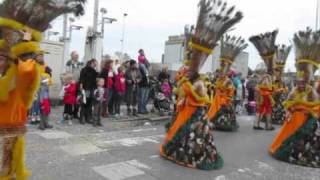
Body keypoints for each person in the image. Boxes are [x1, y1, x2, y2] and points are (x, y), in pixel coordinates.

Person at [36, 51, 53, 130]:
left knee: (47, 106)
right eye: (39, 56)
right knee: (42, 106)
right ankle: (41, 124)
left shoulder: (46, 66)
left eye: (41, 56)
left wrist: (47, 78)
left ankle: (46, 122)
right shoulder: (34, 65)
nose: (41, 58)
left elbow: (49, 77)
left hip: (45, 88)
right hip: (38, 89)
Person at [79, 59, 98, 124]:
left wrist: (96, 89)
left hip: (92, 89)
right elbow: (81, 79)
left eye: (96, 64)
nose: (96, 64)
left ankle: (88, 117)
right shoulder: (84, 69)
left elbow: (95, 80)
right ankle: (82, 118)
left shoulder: (94, 71)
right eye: (95, 63)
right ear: (91, 63)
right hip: (86, 89)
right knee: (85, 103)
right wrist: (81, 86)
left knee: (90, 104)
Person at [66, 51, 83, 119]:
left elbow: (81, 72)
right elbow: (67, 72)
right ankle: (67, 113)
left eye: (77, 55)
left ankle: (75, 113)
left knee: (77, 99)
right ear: (71, 56)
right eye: (75, 55)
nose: (77, 56)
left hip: (78, 83)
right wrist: (69, 81)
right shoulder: (68, 63)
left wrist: (81, 81)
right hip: (70, 83)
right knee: (69, 99)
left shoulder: (80, 63)